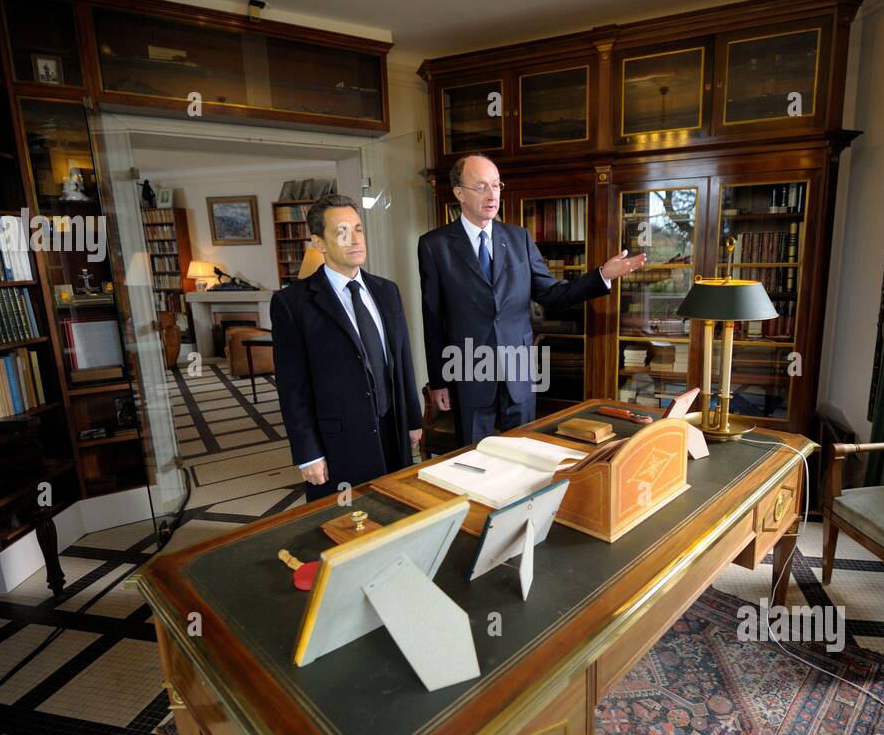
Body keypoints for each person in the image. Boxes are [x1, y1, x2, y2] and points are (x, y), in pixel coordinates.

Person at [418, 153, 647, 445]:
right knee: (473, 461)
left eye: (497, 185)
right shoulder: (434, 246)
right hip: (468, 372)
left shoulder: (519, 239)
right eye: (481, 187)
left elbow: (552, 294)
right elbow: (433, 318)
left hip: (519, 373)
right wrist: (438, 381)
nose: (492, 195)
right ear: (459, 193)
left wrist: (602, 275)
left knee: (524, 455)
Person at [271, 195, 423, 502]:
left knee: (397, 513)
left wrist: (413, 419)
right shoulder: (292, 304)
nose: (354, 240)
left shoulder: (387, 291)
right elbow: (292, 388)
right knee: (346, 528)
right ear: (319, 243)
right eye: (342, 232)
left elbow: (402, 360)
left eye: (358, 229)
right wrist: (307, 453)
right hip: (338, 442)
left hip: (392, 431)